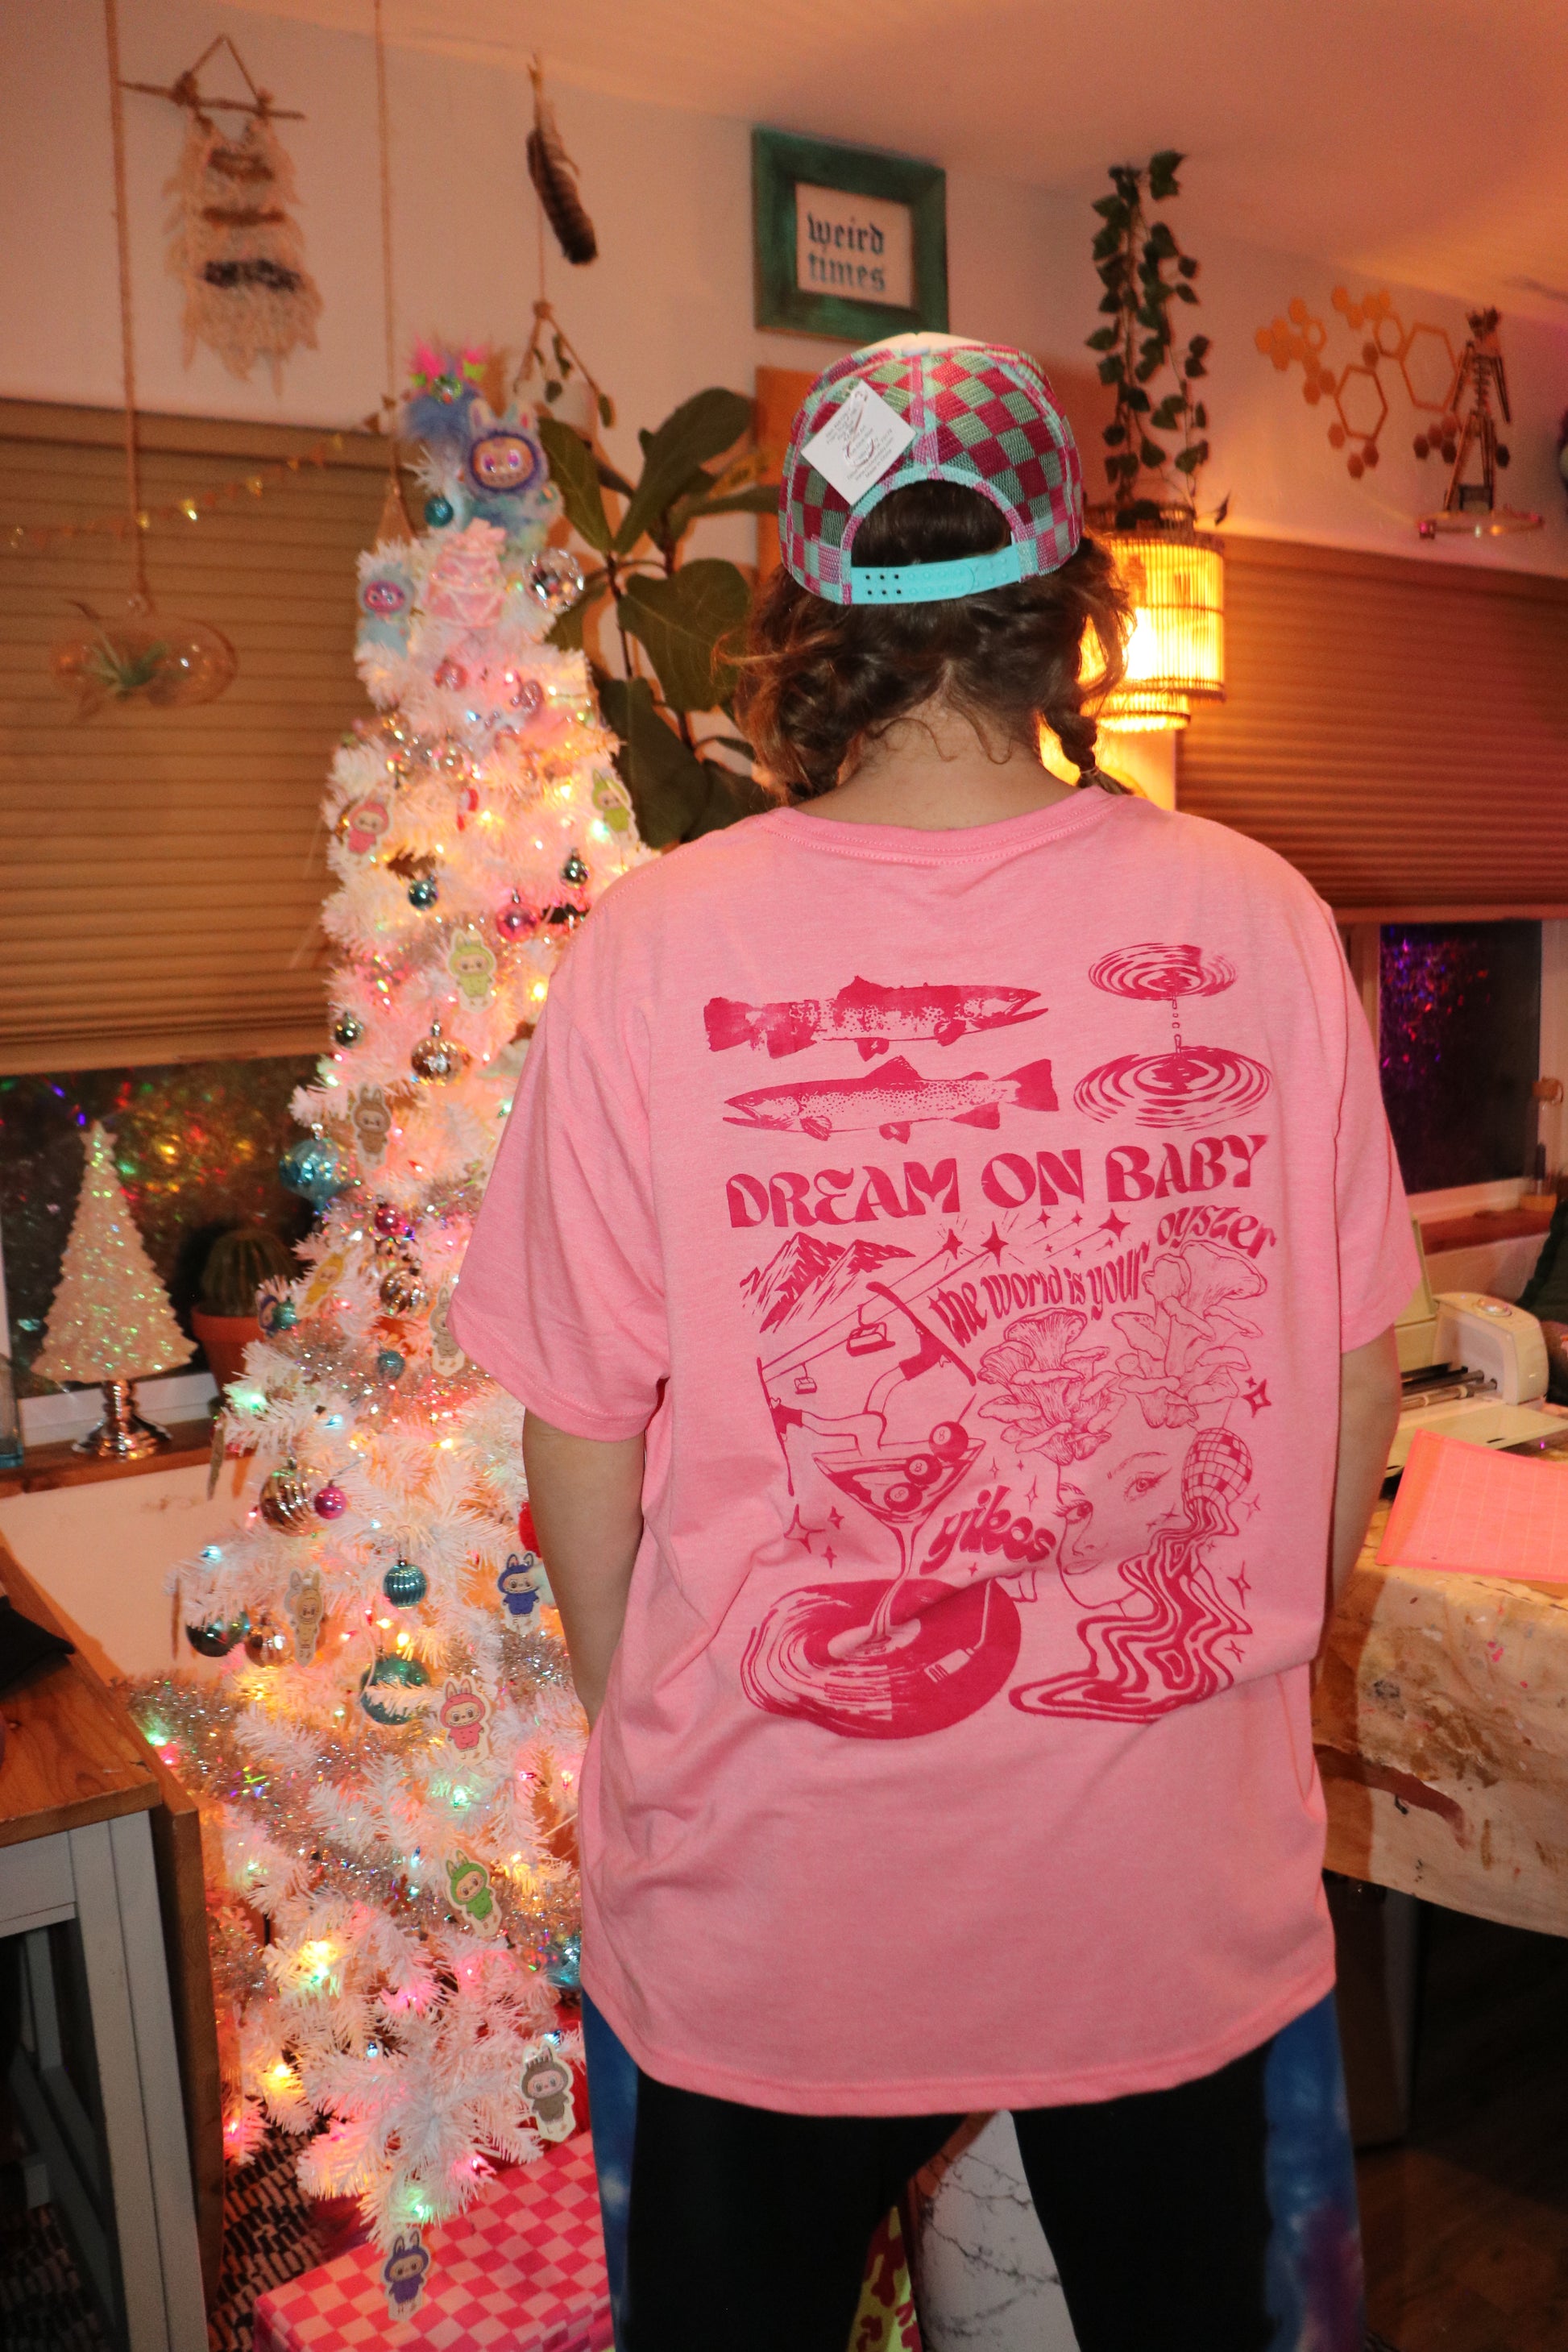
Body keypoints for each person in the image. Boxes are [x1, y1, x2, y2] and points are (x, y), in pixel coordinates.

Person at [450, 334, 1413, 2352]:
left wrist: (650, 1722)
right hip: (1163, 1875)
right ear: (1067, 592)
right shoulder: (1260, 915)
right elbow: (1343, 1377)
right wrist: (1233, 1654)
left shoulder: (653, 948)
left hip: (773, 1885)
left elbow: (580, 1436)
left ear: (805, 609)